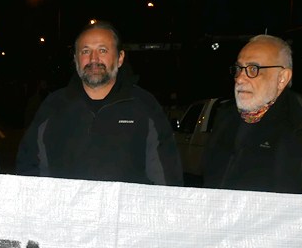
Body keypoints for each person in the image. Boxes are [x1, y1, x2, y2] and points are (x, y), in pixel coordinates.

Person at [14, 21, 182, 185]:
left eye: (102, 50)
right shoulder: (54, 106)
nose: (93, 59)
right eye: (85, 51)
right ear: (76, 59)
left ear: (120, 58)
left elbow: (166, 178)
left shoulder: (144, 106)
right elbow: (29, 170)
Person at [202, 34, 302, 194]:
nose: (240, 79)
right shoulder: (225, 119)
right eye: (239, 69)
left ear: (282, 78)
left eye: (253, 69)